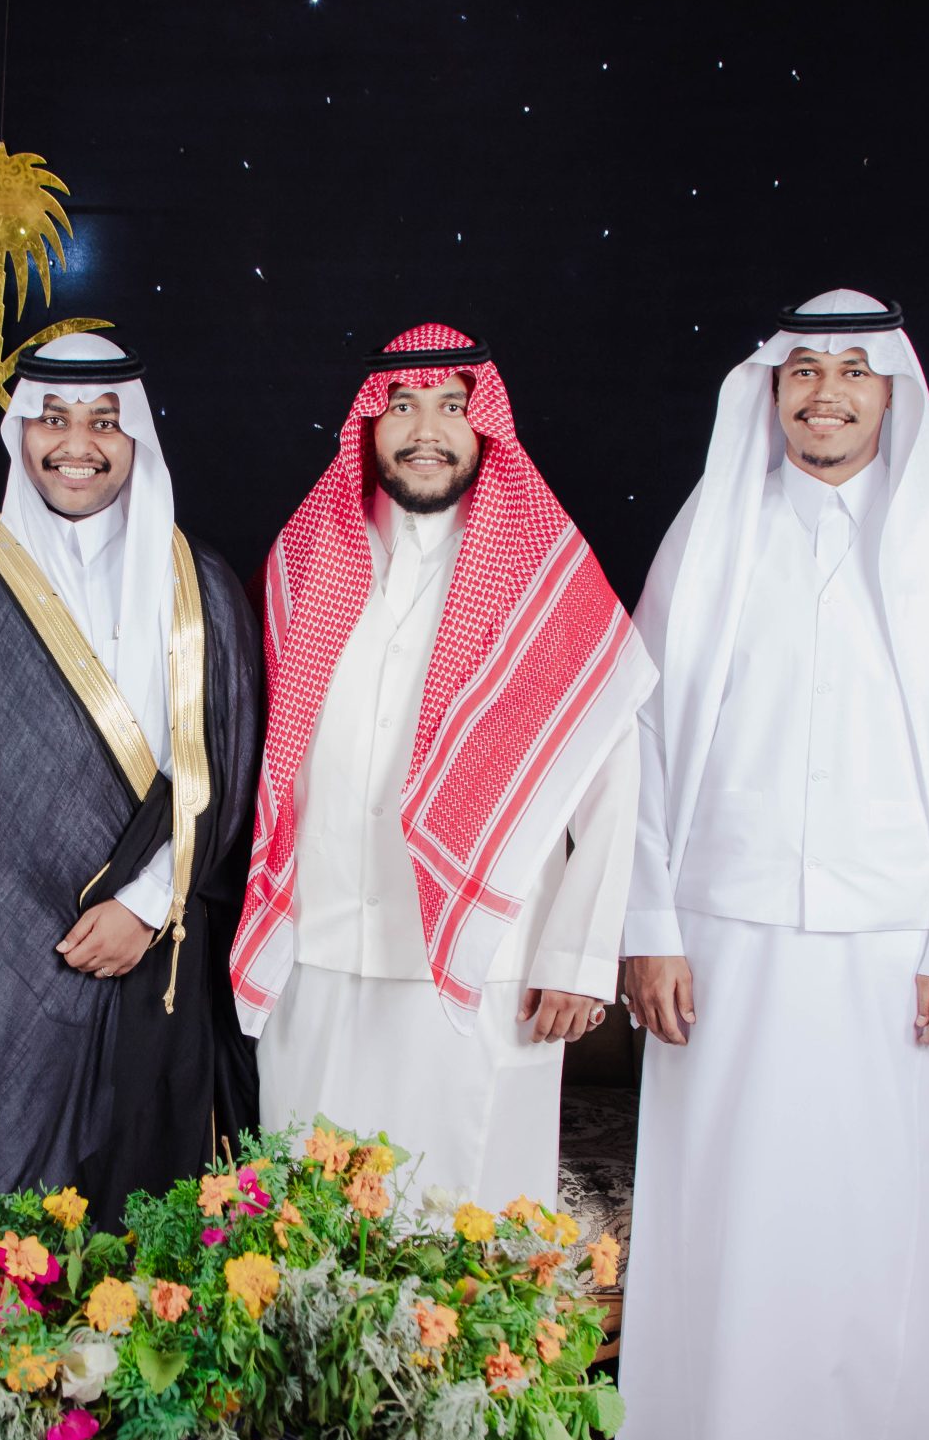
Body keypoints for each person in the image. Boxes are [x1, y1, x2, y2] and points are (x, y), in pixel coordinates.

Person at [612, 290, 929, 1440]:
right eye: (805, 372)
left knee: (871, 1217)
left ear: (893, 391)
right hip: (721, 931)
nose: (827, 393)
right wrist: (648, 921)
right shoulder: (710, 530)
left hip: (892, 943)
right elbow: (643, 738)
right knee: (717, 1206)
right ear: (774, 392)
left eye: (854, 370)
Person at [0, 333, 259, 1226]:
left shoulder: (199, 585)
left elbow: (228, 767)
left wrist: (146, 905)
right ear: (20, 432)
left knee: (142, 1214)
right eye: (54, 418)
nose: (78, 443)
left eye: (104, 421)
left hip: (149, 950)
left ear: (136, 435)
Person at [232, 322, 648, 1209]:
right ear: (368, 424)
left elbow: (614, 775)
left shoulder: (543, 572)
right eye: (403, 405)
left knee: (466, 1233)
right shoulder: (305, 557)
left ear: (484, 422)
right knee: (311, 1231)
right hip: (319, 953)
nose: (427, 429)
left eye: (452, 406)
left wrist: (577, 955)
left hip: (480, 967)